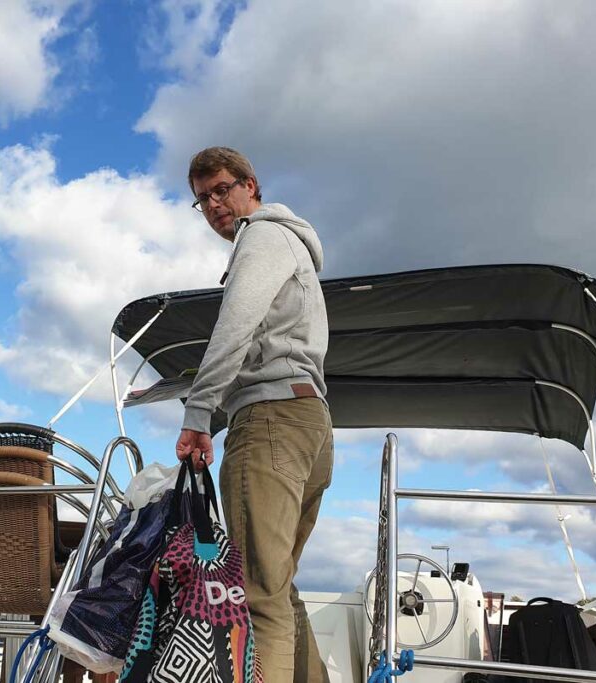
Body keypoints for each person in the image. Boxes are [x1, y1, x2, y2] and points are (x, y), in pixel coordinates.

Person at [175, 146, 333, 683]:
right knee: (279, 587)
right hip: (310, 424)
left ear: (250, 185)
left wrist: (198, 414)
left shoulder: (261, 236)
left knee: (256, 598)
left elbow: (236, 323)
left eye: (222, 189)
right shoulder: (295, 246)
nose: (216, 205)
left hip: (270, 423)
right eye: (203, 200)